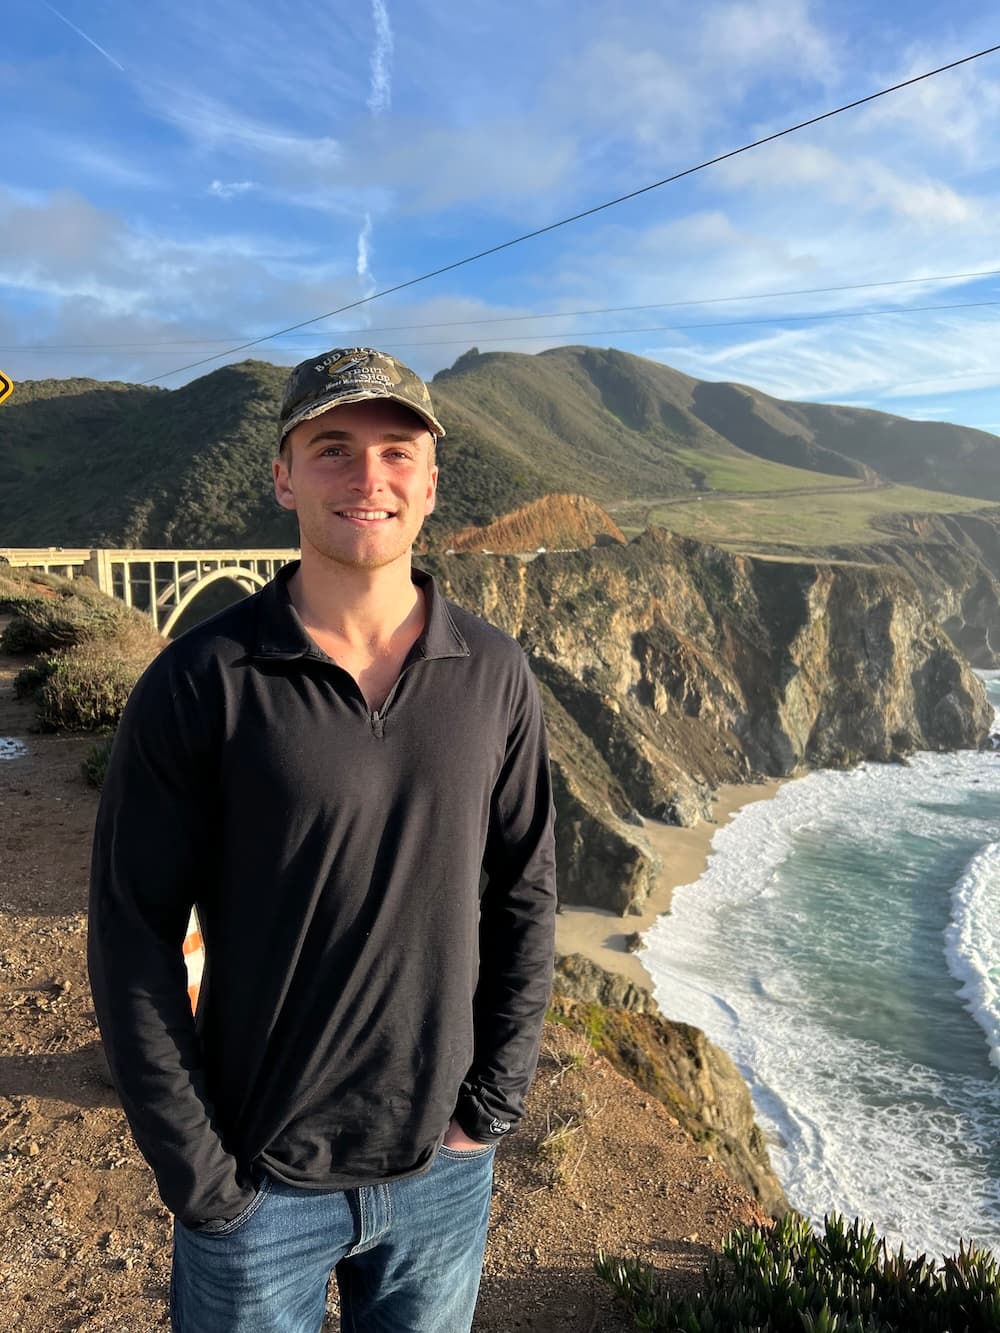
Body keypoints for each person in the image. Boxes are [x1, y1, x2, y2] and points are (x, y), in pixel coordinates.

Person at [87, 346, 557, 1333]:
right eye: (333, 447)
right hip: (257, 1186)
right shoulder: (198, 682)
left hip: (442, 1172)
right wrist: (202, 1176)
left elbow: (523, 894)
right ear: (282, 474)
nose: (368, 477)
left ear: (431, 481)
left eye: (396, 451)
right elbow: (133, 938)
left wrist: (488, 1114)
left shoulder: (496, 675)